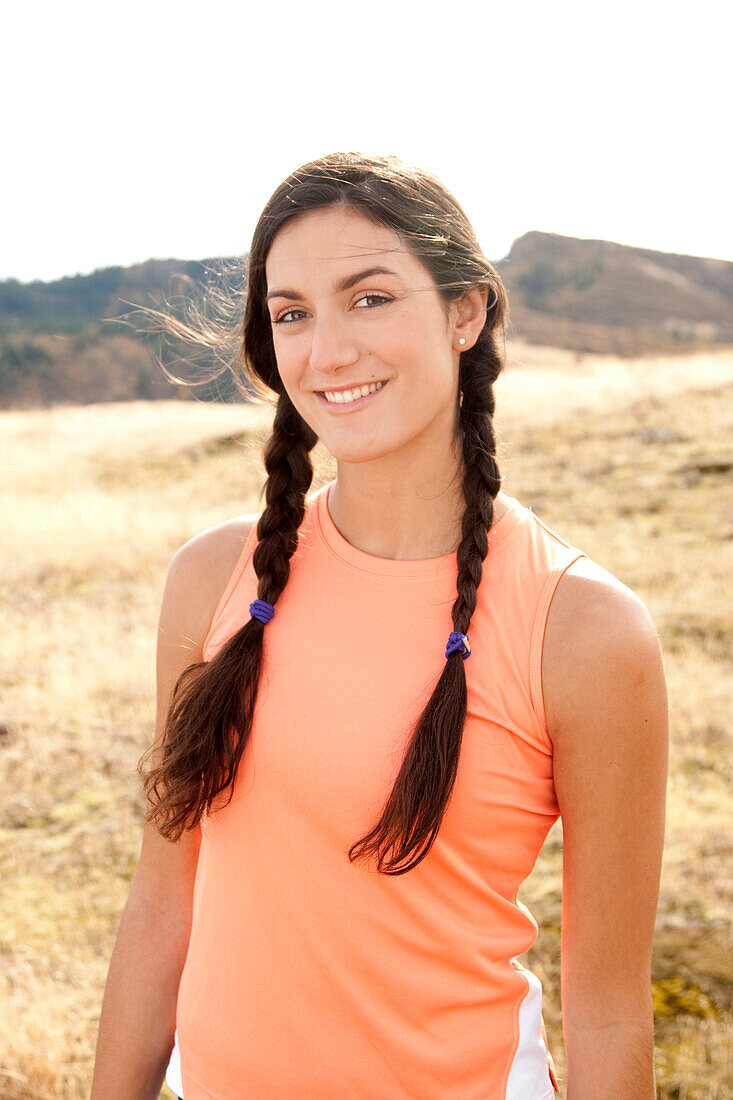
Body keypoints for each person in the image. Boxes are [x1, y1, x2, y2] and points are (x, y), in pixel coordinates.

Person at [90, 152, 669, 1100]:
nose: (327, 352)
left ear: (464, 311)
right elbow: (162, 909)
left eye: (368, 298)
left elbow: (605, 1005)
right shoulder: (213, 580)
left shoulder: (583, 629)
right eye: (292, 314)